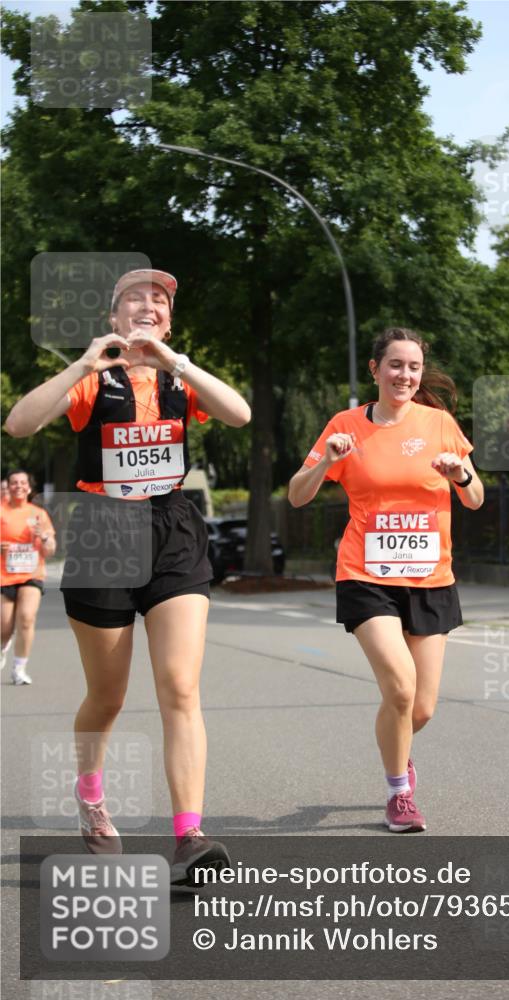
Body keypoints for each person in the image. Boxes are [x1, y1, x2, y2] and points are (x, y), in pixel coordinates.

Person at [5, 268, 250, 882]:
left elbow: (240, 414)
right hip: (103, 531)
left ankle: (189, 836)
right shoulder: (94, 380)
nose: (148, 305)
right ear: (115, 318)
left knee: (179, 686)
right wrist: (86, 363)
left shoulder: (179, 380)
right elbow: (20, 423)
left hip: (172, 528)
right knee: (108, 697)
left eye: (160, 300)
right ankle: (91, 799)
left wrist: (178, 362)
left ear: (169, 320)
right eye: (135, 298)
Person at [288, 328, 484, 832]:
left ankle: (400, 752)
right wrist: (327, 461)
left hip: (430, 576)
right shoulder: (345, 425)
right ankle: (399, 794)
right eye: (395, 365)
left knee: (420, 707)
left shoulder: (440, 424)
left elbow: (475, 497)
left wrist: (458, 474)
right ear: (375, 370)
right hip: (365, 575)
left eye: (414, 367)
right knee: (399, 688)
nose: (406, 375)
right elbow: (296, 495)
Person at [1, 470, 56, 682]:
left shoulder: (38, 514)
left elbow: (50, 549)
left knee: (26, 618)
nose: (18, 486)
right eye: (14, 483)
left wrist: (43, 538)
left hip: (32, 573)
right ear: (8, 486)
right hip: (4, 575)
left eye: (23, 483)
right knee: (4, 626)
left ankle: (19, 669)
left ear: (29, 488)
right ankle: (4, 644)